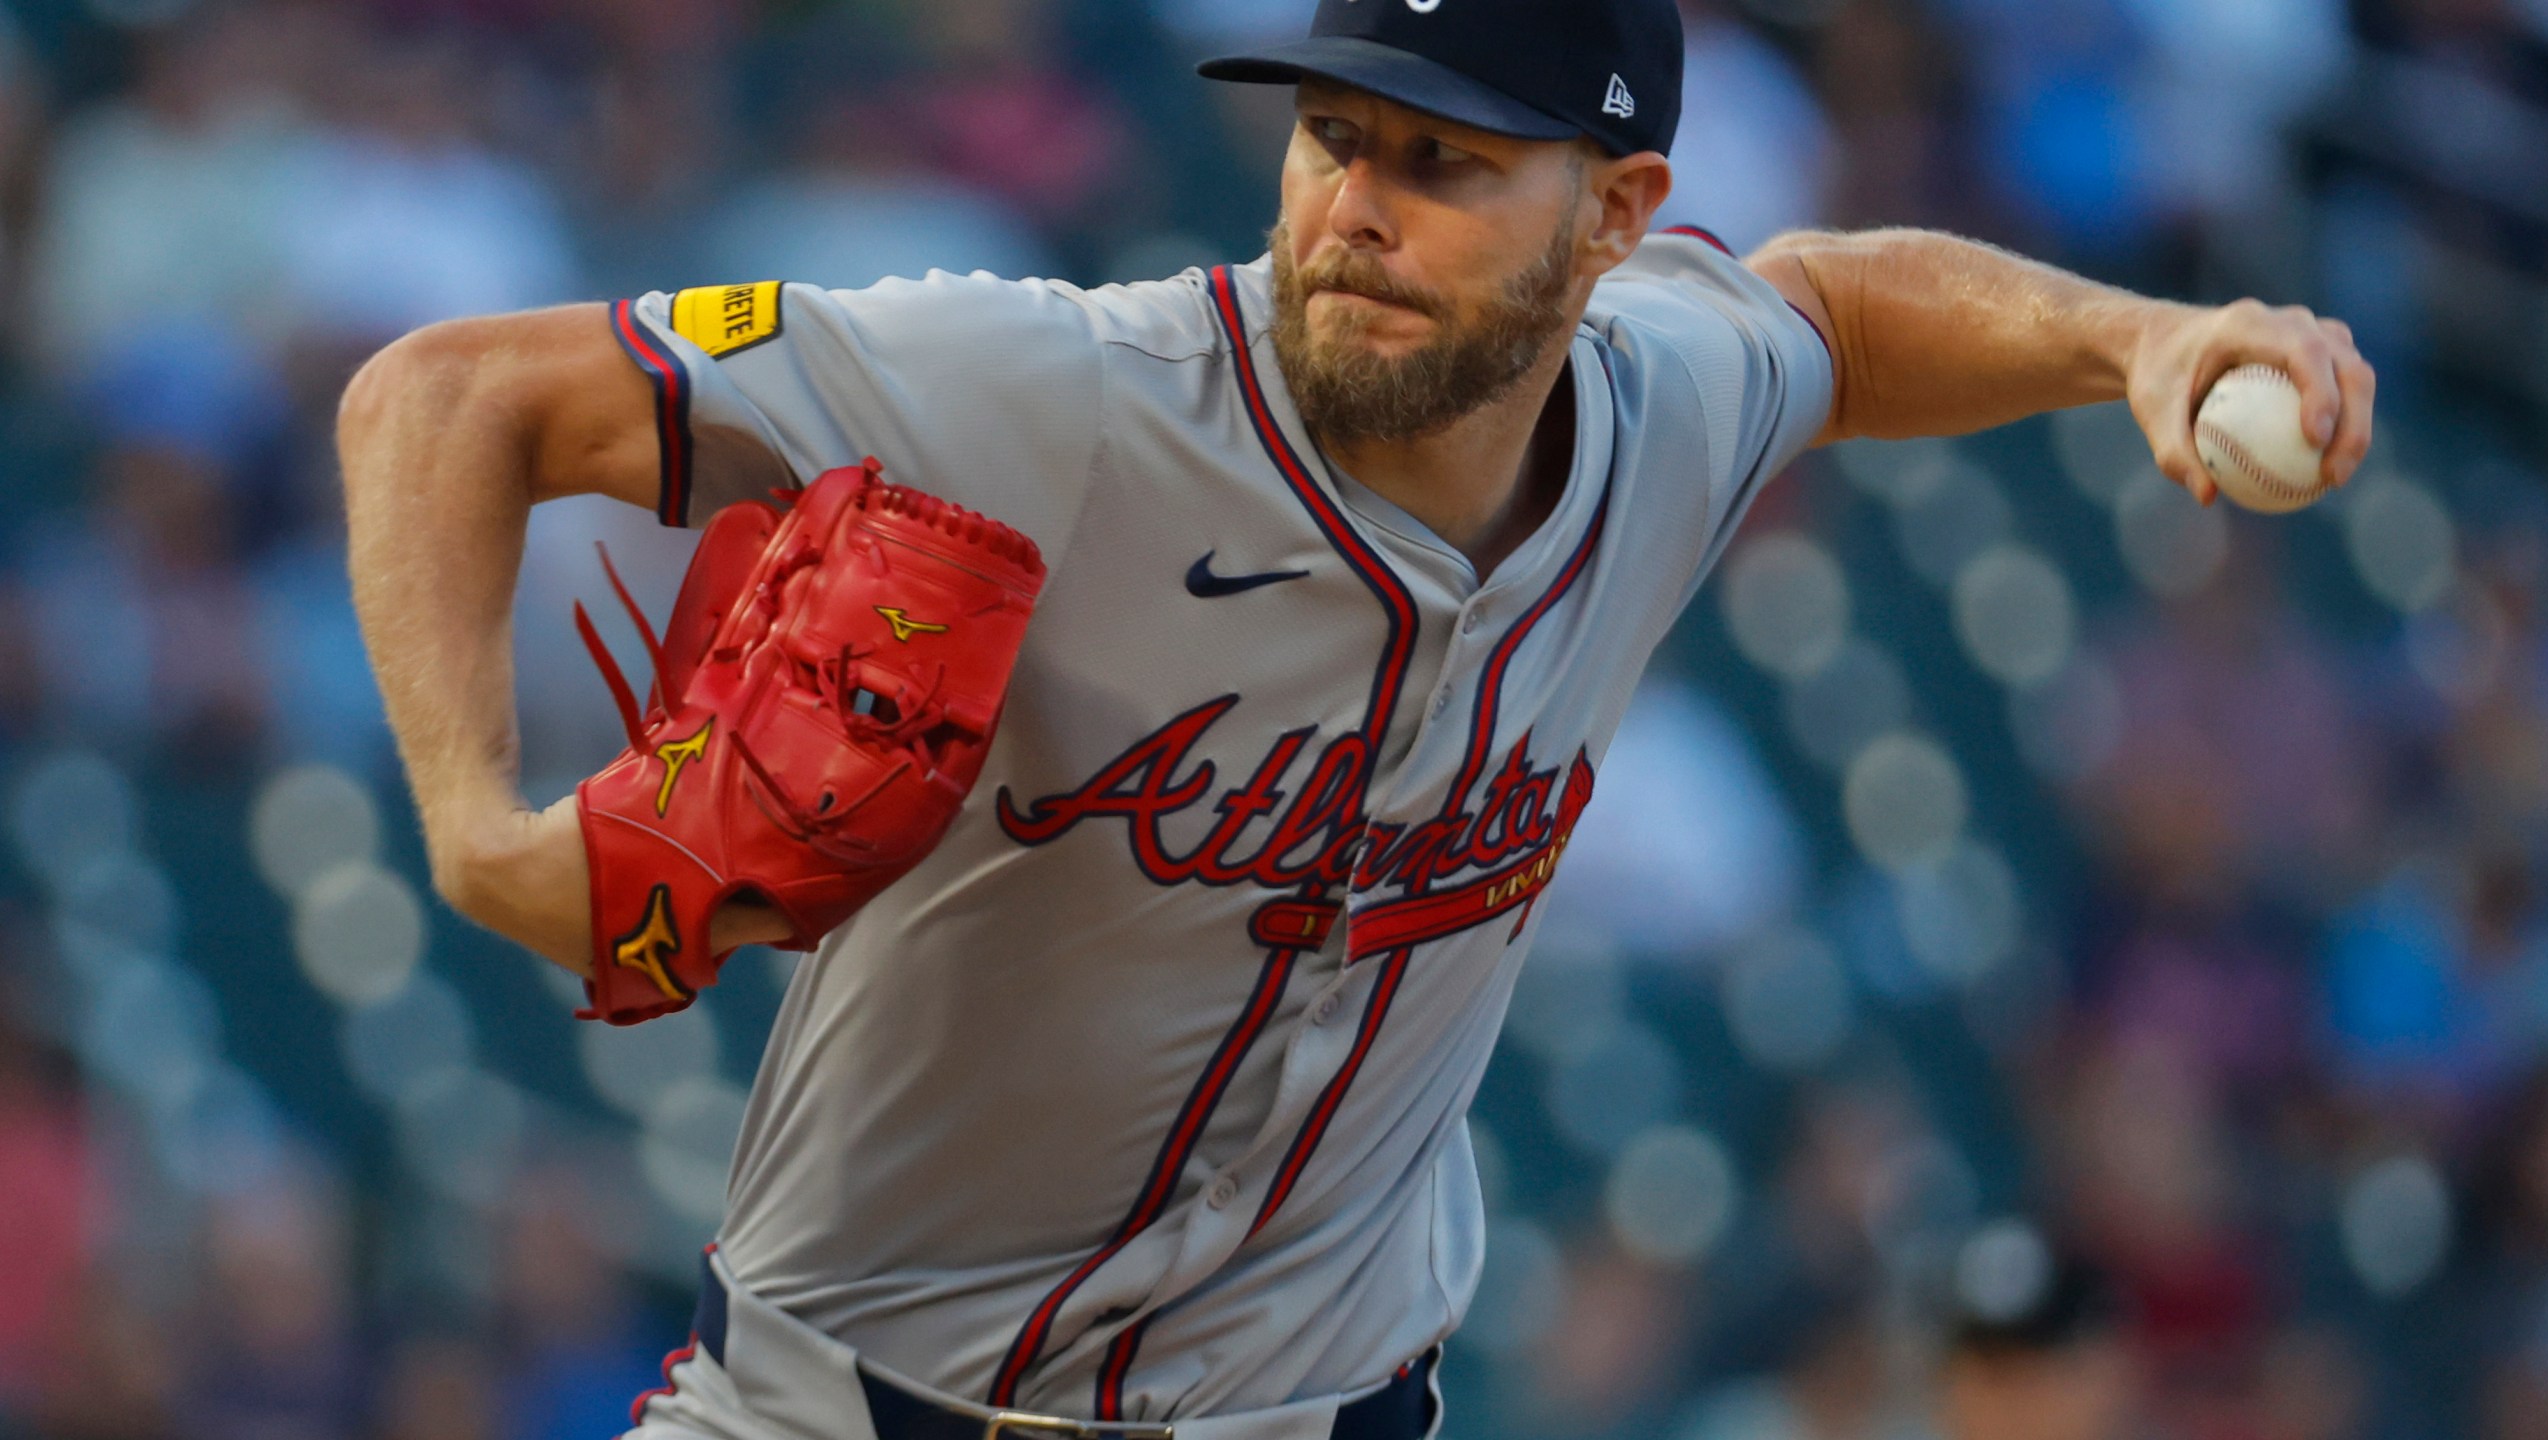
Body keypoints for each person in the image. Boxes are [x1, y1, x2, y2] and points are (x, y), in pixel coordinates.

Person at [334, 0, 2375, 1434]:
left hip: (1322, 1412)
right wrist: (467, 816)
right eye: (1334, 136)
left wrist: (2142, 336)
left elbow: (1831, 312)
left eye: (1443, 162)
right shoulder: (1040, 393)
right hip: (831, 1404)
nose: (1355, 209)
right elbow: (441, 396)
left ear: (1614, 215)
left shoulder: (1662, 407)